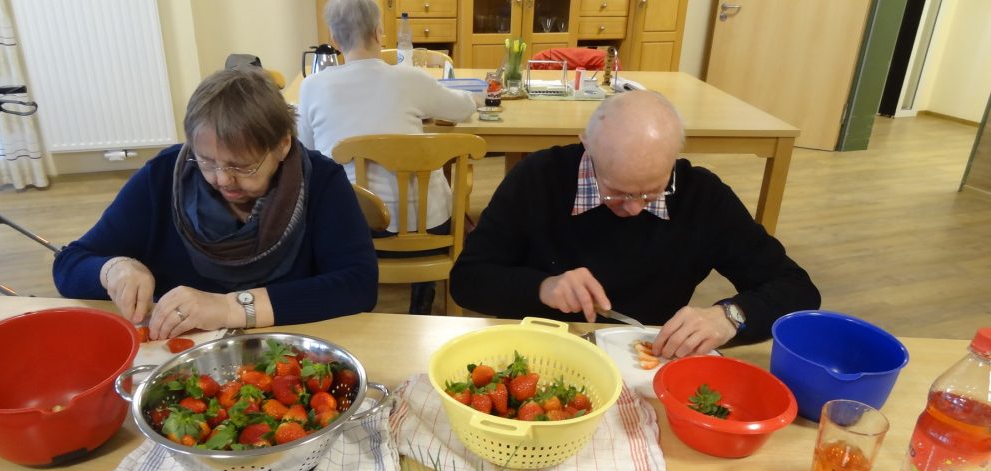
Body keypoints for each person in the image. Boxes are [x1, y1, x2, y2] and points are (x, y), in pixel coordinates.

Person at [450, 90, 820, 358]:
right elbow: (468, 281)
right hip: (537, 355)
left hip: (646, 364)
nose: (635, 208)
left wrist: (730, 316)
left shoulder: (701, 196)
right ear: (586, 146)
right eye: (618, 192)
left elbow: (797, 289)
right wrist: (543, 287)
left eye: (652, 191)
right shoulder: (538, 179)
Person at [53, 67, 378, 340]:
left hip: (288, 355)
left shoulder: (321, 182)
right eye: (207, 161)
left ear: (282, 146)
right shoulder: (164, 176)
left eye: (241, 166)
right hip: (184, 359)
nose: (222, 179)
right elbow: (69, 264)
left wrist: (228, 307)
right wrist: (116, 269)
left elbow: (358, 284)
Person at [297, 0, 476, 315]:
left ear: (335, 40)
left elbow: (306, 153)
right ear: (380, 32)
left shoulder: (312, 87)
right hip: (428, 226)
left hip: (351, 227)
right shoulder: (411, 79)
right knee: (432, 191)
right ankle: (423, 294)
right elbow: (464, 108)